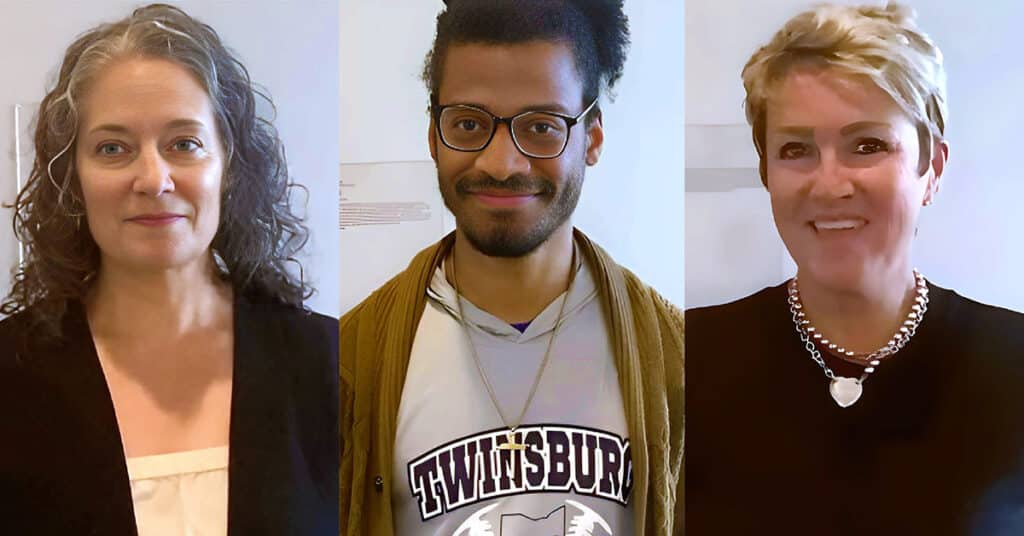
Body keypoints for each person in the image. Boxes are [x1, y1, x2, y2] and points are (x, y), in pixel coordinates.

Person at [339, 1, 684, 534]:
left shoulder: (677, 360)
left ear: (591, 138)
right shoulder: (352, 363)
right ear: (433, 134)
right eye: (470, 123)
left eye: (542, 126)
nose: (501, 163)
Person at [685, 3, 1024, 534]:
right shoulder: (681, 360)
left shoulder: (1014, 365)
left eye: (867, 146)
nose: (830, 185)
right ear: (767, 174)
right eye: (796, 149)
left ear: (930, 169)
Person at [0, 5, 337, 534]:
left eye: (184, 144)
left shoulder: (330, 365)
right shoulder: (9, 376)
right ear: (73, 178)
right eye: (113, 148)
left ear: (228, 166)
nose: (153, 178)